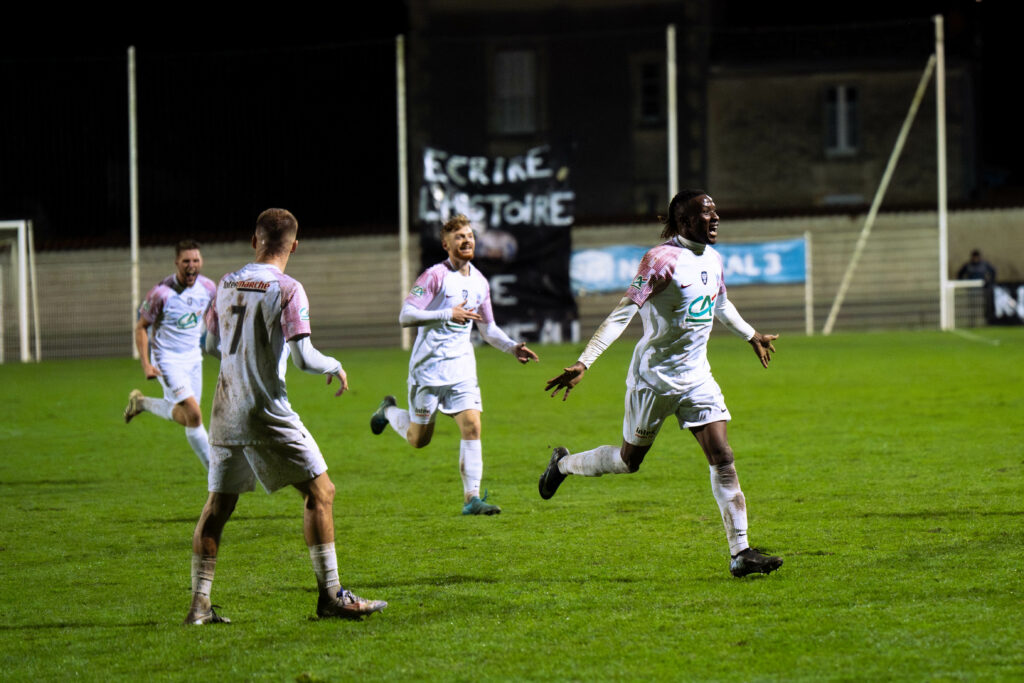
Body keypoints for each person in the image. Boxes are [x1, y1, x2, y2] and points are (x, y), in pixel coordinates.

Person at [540, 190, 783, 578]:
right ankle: (564, 464)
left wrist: (750, 334)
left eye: (715, 210)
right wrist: (584, 361)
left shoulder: (714, 258)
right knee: (627, 462)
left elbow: (719, 303)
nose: (716, 217)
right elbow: (624, 312)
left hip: (697, 377)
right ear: (685, 222)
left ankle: (741, 553)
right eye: (707, 213)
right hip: (653, 380)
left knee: (722, 457)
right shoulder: (660, 260)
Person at [184, 208, 386, 625]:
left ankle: (199, 606)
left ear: (253, 239)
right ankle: (331, 596)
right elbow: (304, 358)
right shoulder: (289, 289)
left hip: (225, 407)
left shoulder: (223, 283)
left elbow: (208, 345)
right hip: (265, 410)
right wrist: (334, 364)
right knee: (322, 492)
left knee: (217, 506)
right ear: (294, 245)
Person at [370, 213, 539, 516]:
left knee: (473, 426)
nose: (467, 240)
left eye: (470, 236)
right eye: (459, 237)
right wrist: (447, 314)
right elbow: (405, 316)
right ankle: (388, 411)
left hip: (461, 370)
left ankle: (471, 498)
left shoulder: (479, 282)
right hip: (428, 370)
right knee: (418, 440)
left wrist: (512, 347)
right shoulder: (434, 276)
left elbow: (487, 329)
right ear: (446, 244)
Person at [124, 239, 216, 470]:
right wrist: (146, 364)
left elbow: (215, 319)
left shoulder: (208, 288)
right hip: (166, 360)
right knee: (194, 415)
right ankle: (216, 474)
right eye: (186, 261)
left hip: (194, 358)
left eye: (195, 260)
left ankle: (142, 404)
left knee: (188, 418)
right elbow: (141, 327)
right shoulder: (161, 293)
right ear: (177, 262)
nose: (191, 265)